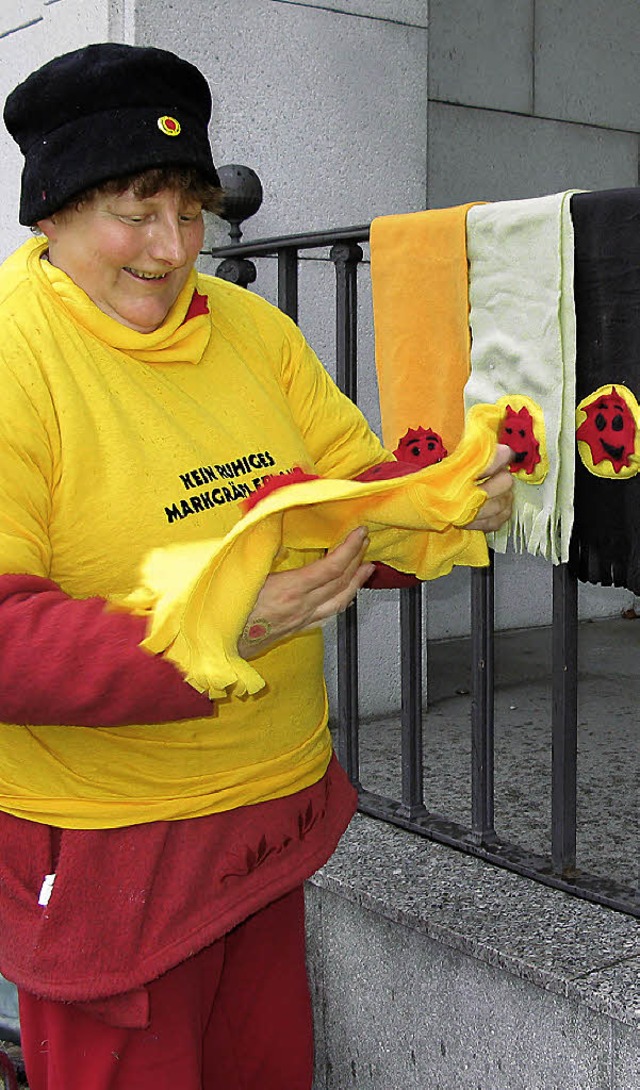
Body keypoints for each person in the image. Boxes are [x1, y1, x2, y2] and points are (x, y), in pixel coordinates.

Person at [0, 42, 513, 1090]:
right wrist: (218, 627)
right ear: (49, 214)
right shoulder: (15, 356)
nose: (171, 247)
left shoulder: (248, 326)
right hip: (114, 856)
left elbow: (342, 490)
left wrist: (444, 499)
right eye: (133, 211)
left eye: (190, 210)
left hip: (267, 825)